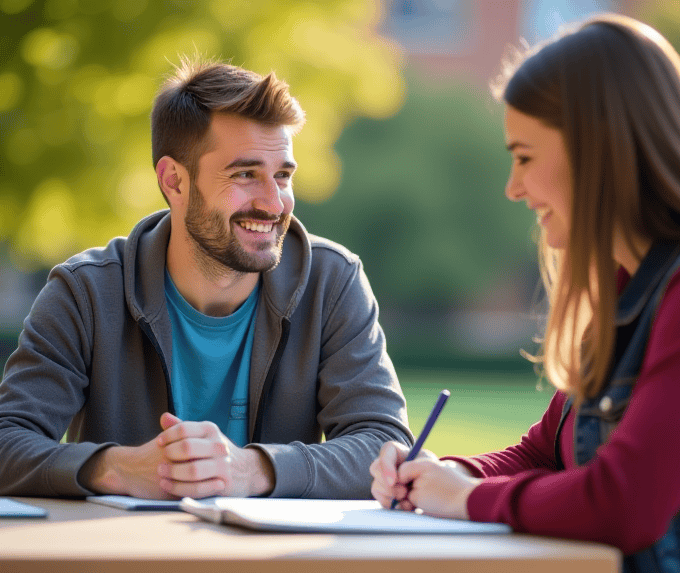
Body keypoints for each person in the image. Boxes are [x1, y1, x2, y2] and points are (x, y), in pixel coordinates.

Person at [370, 13, 680, 573]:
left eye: (523, 156)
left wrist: (466, 500)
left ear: (596, 151)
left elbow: (626, 503)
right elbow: (544, 453)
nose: (513, 188)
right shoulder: (630, 290)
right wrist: (446, 475)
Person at [0, 58, 413, 501]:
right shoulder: (85, 292)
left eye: (282, 175)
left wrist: (252, 470)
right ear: (174, 181)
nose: (274, 204)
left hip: (269, 567)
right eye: (245, 174)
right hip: (123, 562)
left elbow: (386, 447)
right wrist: (116, 469)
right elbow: (8, 441)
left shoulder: (332, 283)